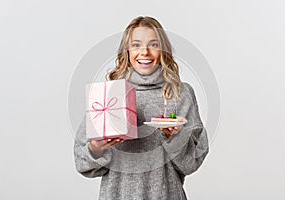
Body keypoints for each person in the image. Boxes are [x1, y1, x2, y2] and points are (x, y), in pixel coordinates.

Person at [74, 16, 209, 200]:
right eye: (136, 45)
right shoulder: (109, 94)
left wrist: (175, 137)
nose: (144, 52)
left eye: (153, 44)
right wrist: (96, 149)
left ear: (163, 51)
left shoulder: (180, 93)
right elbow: (82, 162)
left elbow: (192, 162)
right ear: (127, 51)